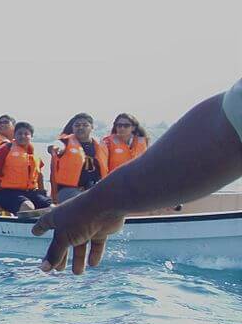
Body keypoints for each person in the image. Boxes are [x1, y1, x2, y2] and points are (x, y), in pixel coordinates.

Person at [33, 81, 242, 274]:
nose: (122, 128)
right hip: (95, 192)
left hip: (126, 193)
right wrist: (99, 203)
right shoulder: (87, 143)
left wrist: (99, 203)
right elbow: (227, 126)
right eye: (119, 125)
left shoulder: (124, 144)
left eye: (126, 125)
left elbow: (225, 126)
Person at [0, 121, 51, 214]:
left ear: (31, 136)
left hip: (30, 192)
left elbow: (39, 176)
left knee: (53, 208)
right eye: (19, 133)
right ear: (14, 135)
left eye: (26, 134)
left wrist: (42, 194)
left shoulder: (34, 153)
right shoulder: (5, 150)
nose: (22, 136)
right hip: (5, 193)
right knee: (27, 207)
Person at [49, 112, 108, 203]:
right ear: (73, 128)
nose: (81, 127)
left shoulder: (100, 145)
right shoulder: (65, 142)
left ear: (92, 127)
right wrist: (54, 148)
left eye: (85, 125)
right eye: (77, 125)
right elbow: (56, 145)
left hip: (93, 188)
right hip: (69, 190)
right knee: (84, 202)